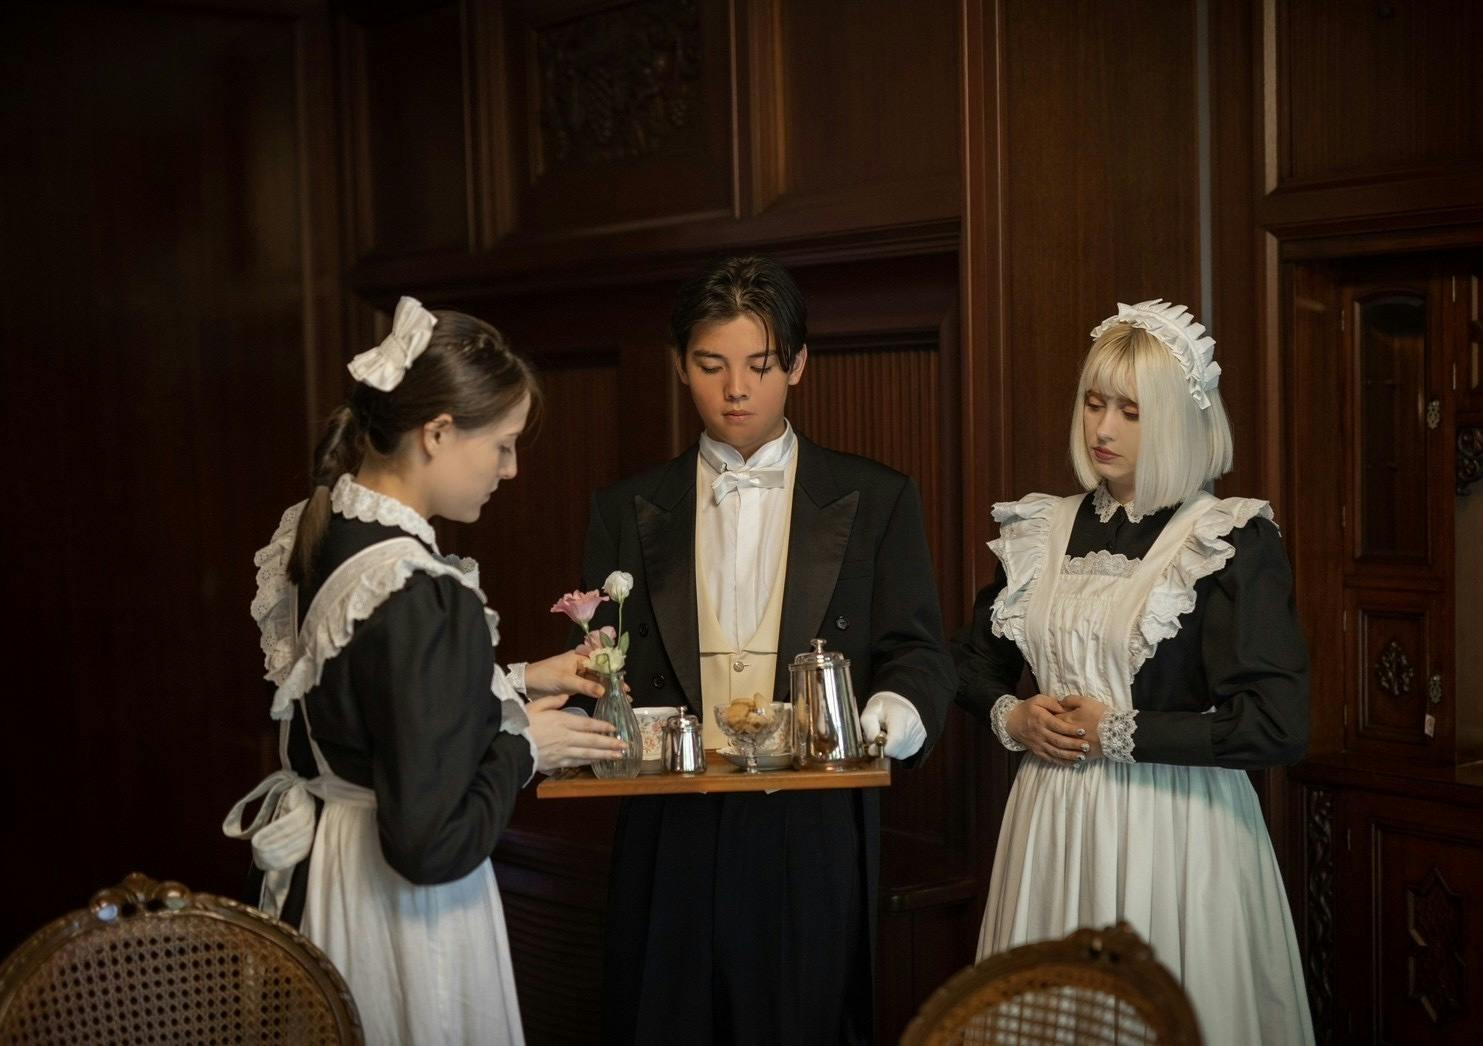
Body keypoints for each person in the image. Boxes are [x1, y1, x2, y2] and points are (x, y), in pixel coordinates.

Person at [223, 298, 626, 1045]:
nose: (511, 468)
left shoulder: (326, 529)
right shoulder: (423, 592)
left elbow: (369, 707)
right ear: (437, 433)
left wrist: (518, 681)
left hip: (327, 874)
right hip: (391, 913)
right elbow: (430, 844)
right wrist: (522, 747)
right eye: (502, 445)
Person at [579, 256, 956, 1045]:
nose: (735, 390)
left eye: (759, 365)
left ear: (797, 364)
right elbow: (596, 661)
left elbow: (917, 651)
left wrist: (885, 715)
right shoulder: (624, 508)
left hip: (811, 826)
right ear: (680, 365)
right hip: (667, 823)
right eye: (710, 365)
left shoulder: (876, 497)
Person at [954, 300, 1313, 1044]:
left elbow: (1275, 727)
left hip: (1175, 832)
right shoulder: (1041, 529)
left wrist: (1117, 732)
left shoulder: (1227, 539)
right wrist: (1011, 715)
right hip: (1050, 825)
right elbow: (966, 664)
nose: (1103, 429)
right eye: (1094, 403)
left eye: (1131, 411)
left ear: (1179, 420)